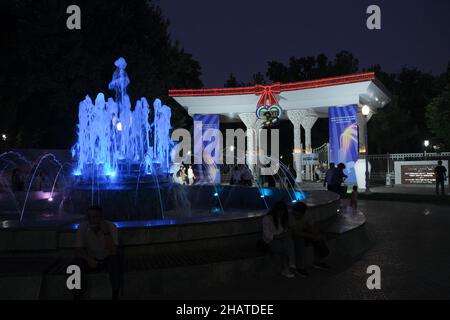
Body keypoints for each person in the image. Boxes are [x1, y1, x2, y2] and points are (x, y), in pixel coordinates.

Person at [71, 206, 121, 300]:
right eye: (89, 217)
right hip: (90, 260)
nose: (91, 220)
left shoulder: (111, 226)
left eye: (95, 217)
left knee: (115, 261)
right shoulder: (83, 227)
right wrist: (88, 259)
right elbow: (77, 250)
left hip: (107, 259)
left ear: (101, 217)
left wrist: (106, 232)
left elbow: (113, 251)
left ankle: (115, 293)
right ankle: (75, 295)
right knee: (74, 266)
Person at [262, 201, 302, 278]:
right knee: (284, 246)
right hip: (270, 241)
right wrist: (280, 236)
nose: (281, 214)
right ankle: (288, 267)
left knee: (289, 242)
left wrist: (285, 233)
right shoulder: (267, 219)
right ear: (275, 210)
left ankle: (290, 265)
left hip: (281, 238)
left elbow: (282, 231)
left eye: (283, 212)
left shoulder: (281, 218)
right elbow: (267, 235)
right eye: (280, 212)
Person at [291, 202, 330, 270]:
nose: (298, 216)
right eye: (296, 214)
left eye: (299, 215)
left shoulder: (306, 214)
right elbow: (296, 232)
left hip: (302, 232)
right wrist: (311, 236)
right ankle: (300, 267)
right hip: (292, 235)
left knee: (318, 239)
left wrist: (315, 234)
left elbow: (310, 226)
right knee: (301, 241)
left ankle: (319, 261)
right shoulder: (291, 217)